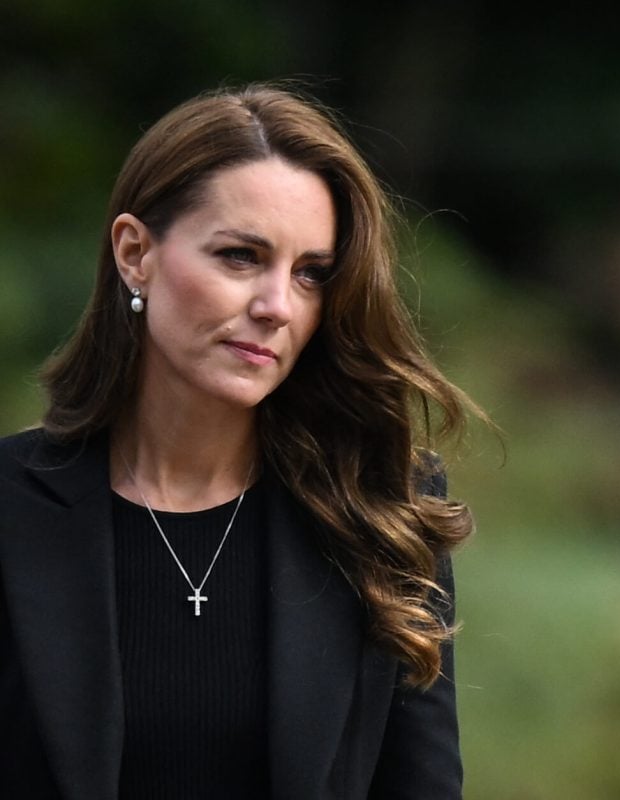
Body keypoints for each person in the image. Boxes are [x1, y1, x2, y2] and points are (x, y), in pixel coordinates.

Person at [0, 84, 482, 799]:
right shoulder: (10, 507)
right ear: (136, 253)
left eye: (311, 273)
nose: (277, 306)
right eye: (240, 256)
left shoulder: (379, 509)